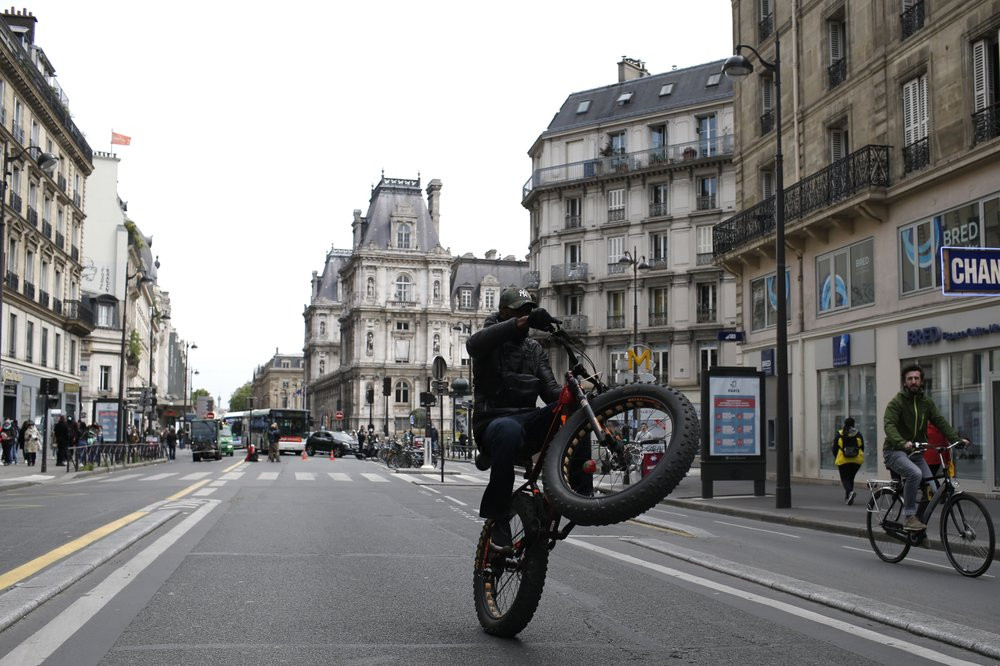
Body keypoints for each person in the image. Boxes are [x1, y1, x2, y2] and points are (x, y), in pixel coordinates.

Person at [467, 285, 590, 551]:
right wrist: (521, 323)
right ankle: (498, 517)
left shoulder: (534, 349)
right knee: (508, 430)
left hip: (528, 420)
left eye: (528, 312)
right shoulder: (489, 340)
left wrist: (577, 395)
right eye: (517, 312)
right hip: (492, 422)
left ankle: (581, 492)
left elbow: (551, 394)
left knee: (577, 409)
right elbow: (474, 344)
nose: (524, 316)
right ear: (502, 312)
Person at [883, 364, 966, 531]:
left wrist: (957, 439)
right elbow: (889, 425)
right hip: (895, 450)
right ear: (904, 382)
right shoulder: (897, 403)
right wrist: (901, 441)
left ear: (921, 381)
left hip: (916, 453)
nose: (913, 381)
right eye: (910, 379)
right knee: (915, 474)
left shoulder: (926, 403)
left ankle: (918, 529)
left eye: (916, 378)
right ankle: (909, 517)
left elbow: (940, 421)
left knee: (932, 491)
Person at [831, 417, 864, 505]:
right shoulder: (858, 434)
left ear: (844, 424)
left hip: (843, 460)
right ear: (854, 424)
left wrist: (837, 456)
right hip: (856, 460)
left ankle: (850, 492)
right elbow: (862, 447)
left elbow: (834, 448)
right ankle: (848, 498)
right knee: (850, 478)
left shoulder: (840, 434)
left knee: (845, 478)